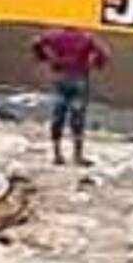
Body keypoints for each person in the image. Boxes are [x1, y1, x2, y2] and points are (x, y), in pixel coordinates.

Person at [32, 27, 108, 166]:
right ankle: (77, 156)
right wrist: (93, 64)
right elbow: (103, 52)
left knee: (58, 116)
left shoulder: (54, 35)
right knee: (77, 118)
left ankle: (57, 155)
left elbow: (36, 42)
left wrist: (47, 58)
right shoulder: (87, 37)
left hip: (60, 78)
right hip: (79, 78)